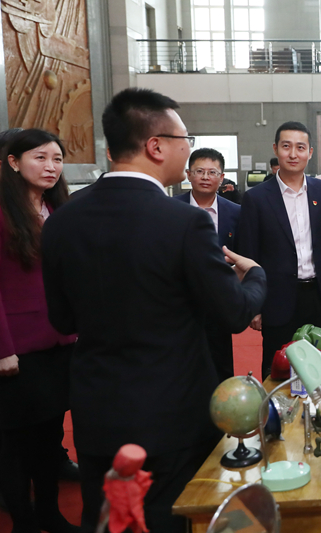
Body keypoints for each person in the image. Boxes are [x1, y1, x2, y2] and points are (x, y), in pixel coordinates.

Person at [41, 88, 266, 533]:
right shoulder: (183, 222)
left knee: (107, 518)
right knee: (169, 518)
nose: (188, 147)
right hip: (171, 413)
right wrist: (256, 273)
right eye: (185, 139)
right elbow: (234, 311)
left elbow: (63, 320)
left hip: (97, 410)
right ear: (156, 146)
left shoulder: (61, 219)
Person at [0, 129, 79, 533]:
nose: (51, 167)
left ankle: (50, 512)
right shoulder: (2, 212)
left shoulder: (57, 208)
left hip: (59, 342)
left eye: (57, 159)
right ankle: (24, 520)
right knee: (14, 443)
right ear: (14, 162)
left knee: (49, 438)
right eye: (40, 157)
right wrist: (3, 348)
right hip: (16, 349)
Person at [237, 121, 321, 378]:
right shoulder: (256, 198)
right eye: (286, 147)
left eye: (300, 147)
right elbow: (248, 253)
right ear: (276, 149)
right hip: (277, 300)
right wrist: (254, 304)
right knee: (278, 371)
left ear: (310, 152)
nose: (293, 154)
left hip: (320, 297)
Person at [175, 147, 242, 382]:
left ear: (221, 178)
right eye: (199, 171)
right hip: (181, 302)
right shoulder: (172, 208)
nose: (205, 177)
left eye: (212, 172)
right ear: (188, 174)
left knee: (220, 366)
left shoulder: (236, 212)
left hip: (219, 301)